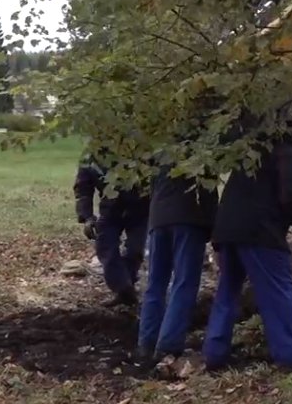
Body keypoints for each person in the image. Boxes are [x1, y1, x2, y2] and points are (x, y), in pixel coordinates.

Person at [202, 113, 292, 371]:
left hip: (227, 230)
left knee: (227, 291)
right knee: (277, 292)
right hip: (260, 232)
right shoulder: (286, 151)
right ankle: (289, 356)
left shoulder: (250, 153)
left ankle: (214, 353)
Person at [135, 150, 219, 364]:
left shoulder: (161, 146)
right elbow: (209, 194)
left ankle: (146, 342)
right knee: (184, 282)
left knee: (155, 282)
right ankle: (168, 346)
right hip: (189, 219)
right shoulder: (205, 150)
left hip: (159, 218)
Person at [74, 150, 150, 307]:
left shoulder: (137, 148)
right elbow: (83, 189)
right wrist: (87, 217)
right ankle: (123, 288)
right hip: (110, 208)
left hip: (140, 208)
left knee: (135, 250)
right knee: (106, 249)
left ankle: (126, 289)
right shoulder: (90, 157)